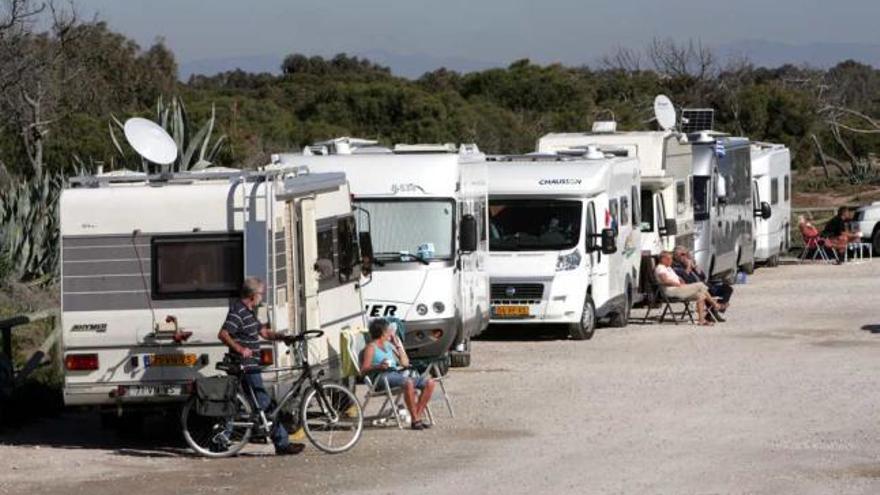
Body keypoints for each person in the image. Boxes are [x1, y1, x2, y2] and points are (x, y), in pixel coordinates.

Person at [218, 277, 305, 456]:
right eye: (261, 294)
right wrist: (240, 349)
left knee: (253, 404)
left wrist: (284, 337)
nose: (262, 297)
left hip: (252, 366)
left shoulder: (249, 312)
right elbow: (223, 334)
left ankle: (222, 438)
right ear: (252, 295)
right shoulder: (237, 311)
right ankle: (282, 443)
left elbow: (264, 332)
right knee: (265, 404)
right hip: (246, 366)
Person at [361, 318, 436, 430]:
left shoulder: (389, 345)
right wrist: (378, 366)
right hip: (382, 377)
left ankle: (417, 418)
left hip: (395, 374)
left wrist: (397, 345)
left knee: (430, 383)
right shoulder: (371, 347)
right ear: (383, 332)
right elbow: (363, 369)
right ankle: (416, 420)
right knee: (408, 382)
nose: (391, 332)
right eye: (388, 330)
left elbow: (405, 363)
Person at [654, 251, 721, 326]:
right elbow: (665, 281)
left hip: (678, 288)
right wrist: (677, 284)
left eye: (671, 259)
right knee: (700, 285)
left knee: (701, 295)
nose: (671, 261)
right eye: (669, 259)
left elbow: (676, 277)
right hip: (671, 290)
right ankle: (714, 304)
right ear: (663, 259)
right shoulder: (660, 268)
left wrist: (680, 280)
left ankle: (701, 320)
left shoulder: (668, 268)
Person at [672, 246, 732, 320]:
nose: (686, 256)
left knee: (727, 288)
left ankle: (714, 311)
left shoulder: (689, 264)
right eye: (683, 254)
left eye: (687, 254)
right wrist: (688, 267)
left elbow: (703, 277)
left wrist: (695, 267)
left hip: (705, 285)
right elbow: (687, 280)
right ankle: (715, 310)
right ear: (676, 256)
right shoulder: (676, 267)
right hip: (693, 288)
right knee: (704, 290)